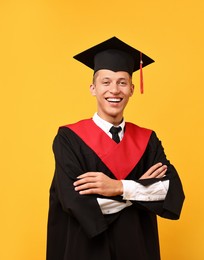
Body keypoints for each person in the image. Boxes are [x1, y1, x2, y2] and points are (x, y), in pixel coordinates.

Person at [47, 36, 185, 260]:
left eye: (122, 82)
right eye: (106, 82)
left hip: (136, 248)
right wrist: (138, 191)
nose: (114, 90)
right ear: (93, 88)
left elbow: (170, 191)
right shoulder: (69, 139)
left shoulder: (147, 140)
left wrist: (118, 187)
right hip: (86, 250)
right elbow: (76, 203)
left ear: (131, 89)